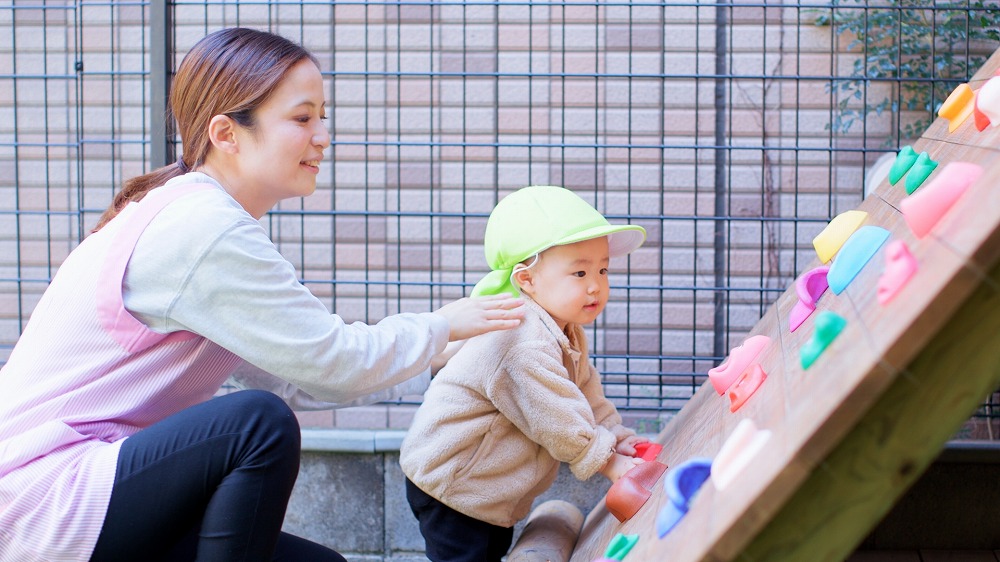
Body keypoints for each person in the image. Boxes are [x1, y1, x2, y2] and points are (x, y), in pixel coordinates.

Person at [0, 27, 524, 562]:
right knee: (257, 424)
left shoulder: (196, 215)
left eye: (322, 116)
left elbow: (300, 378)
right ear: (226, 133)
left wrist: (434, 355)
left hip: (93, 487)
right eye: (302, 118)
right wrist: (445, 323)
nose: (322, 135)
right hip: (44, 499)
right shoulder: (202, 227)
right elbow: (332, 362)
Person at [399, 185, 651, 562]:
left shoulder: (563, 329)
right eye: (579, 272)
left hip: (489, 488)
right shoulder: (520, 339)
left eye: (603, 269)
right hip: (456, 484)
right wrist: (609, 461)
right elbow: (556, 416)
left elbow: (582, 393)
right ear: (527, 281)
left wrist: (614, 435)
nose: (595, 285)